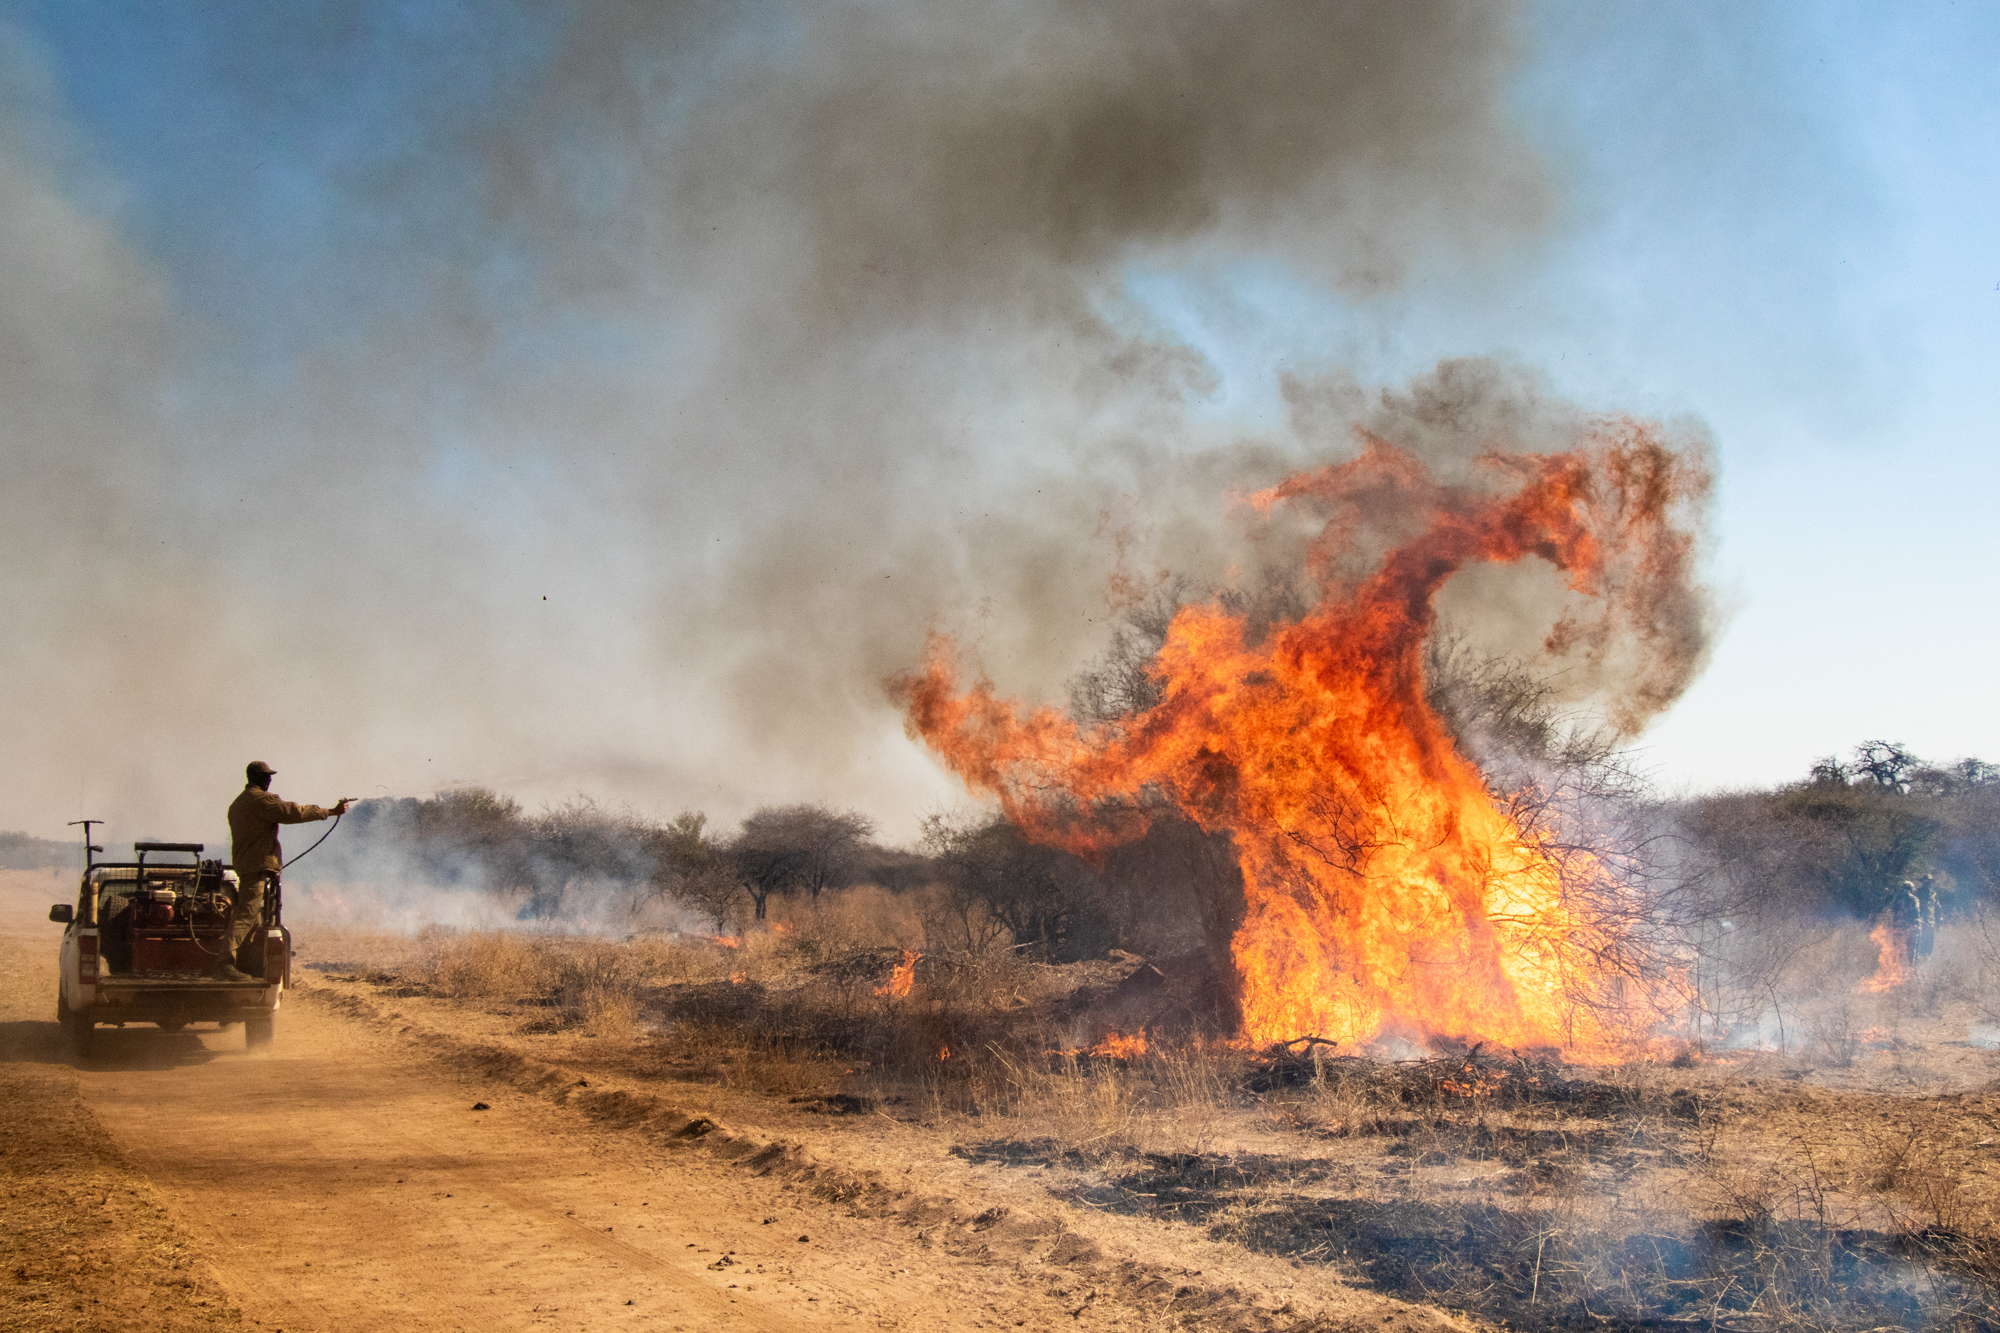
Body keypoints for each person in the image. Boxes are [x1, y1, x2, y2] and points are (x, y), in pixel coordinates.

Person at [218, 761, 347, 981]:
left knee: (255, 920)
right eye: (266, 776)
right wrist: (330, 811)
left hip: (246, 865)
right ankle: (225, 965)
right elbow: (294, 812)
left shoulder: (237, 803)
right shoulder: (261, 800)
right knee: (246, 916)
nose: (269, 780)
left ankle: (243, 965)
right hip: (257, 866)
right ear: (258, 778)